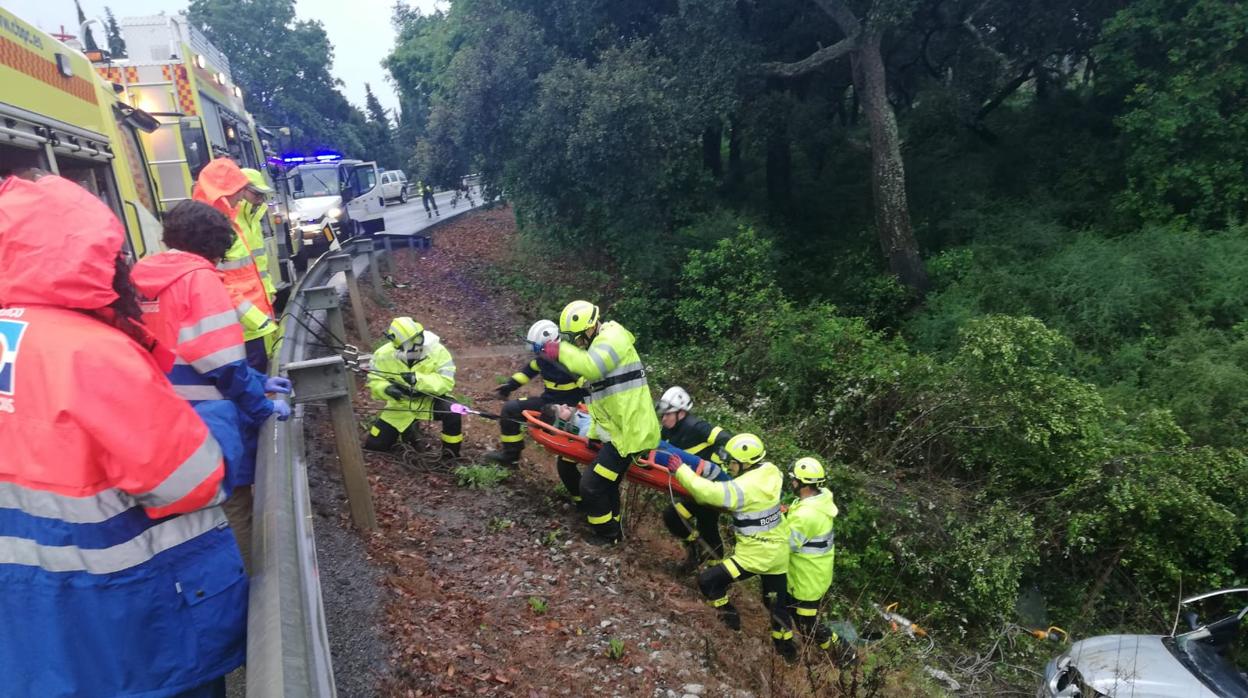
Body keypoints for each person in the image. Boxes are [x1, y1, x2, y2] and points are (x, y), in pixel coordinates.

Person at [0, 173, 247, 696]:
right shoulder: (90, 351)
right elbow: (189, 481)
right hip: (132, 624)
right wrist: (220, 421)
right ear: (86, 256)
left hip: (29, 635)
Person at [131, 200, 292, 565]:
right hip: (207, 422)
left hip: (158, 417)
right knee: (234, 504)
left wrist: (261, 377)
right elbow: (223, 365)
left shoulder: (142, 276)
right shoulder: (200, 281)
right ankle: (254, 595)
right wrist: (263, 404)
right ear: (216, 247)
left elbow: (184, 351)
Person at [663, 433, 797, 662]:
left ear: (745, 463)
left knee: (708, 581)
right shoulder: (772, 471)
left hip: (755, 557)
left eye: (733, 461)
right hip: (777, 554)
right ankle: (787, 653)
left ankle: (729, 618)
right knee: (775, 604)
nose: (729, 465)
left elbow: (708, 492)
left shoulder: (743, 488)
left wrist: (681, 470)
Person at [540, 300, 660, 544]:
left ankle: (606, 535)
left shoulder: (612, 338)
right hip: (620, 432)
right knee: (607, 484)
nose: (576, 343)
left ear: (589, 328)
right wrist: (594, 434)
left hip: (630, 434)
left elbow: (592, 368)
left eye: (576, 337)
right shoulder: (600, 345)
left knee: (591, 486)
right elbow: (601, 403)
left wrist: (561, 350)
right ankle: (614, 533)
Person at [192, 157, 278, 372]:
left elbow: (255, 268)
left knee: (257, 375)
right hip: (239, 325)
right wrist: (255, 319)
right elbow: (215, 281)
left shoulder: (230, 221)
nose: (241, 197)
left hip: (250, 322)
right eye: (239, 190)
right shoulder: (212, 226)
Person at [485, 319, 587, 466]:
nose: (536, 353)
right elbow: (527, 373)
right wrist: (509, 386)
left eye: (539, 349)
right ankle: (510, 457)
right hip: (547, 403)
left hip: (570, 410)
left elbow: (589, 389)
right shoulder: (542, 360)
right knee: (510, 409)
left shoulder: (573, 363)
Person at [653, 386, 735, 570]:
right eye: (663, 415)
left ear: (681, 413)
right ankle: (701, 555)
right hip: (692, 487)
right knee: (705, 525)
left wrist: (721, 456)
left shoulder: (697, 426)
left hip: (711, 486)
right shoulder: (668, 431)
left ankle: (709, 567)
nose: (664, 418)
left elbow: (726, 439)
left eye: (668, 414)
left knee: (677, 516)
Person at [364, 316, 463, 459]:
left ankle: (451, 456)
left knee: (453, 410)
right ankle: (411, 434)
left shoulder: (437, 351)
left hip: (427, 401)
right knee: (375, 446)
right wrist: (386, 389)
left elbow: (446, 382)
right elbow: (374, 380)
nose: (418, 345)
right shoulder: (383, 355)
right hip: (401, 405)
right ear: (399, 344)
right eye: (412, 342)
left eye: (418, 339)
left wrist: (418, 380)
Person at [784, 457, 840, 653]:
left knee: (808, 624)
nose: (792, 483)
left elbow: (786, 544)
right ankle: (824, 650)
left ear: (802, 484)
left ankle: (839, 653)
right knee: (798, 616)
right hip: (812, 573)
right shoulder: (819, 499)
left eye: (794, 480)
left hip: (807, 580)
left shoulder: (806, 515)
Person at [236, 168, 278, 304]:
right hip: (241, 303)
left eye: (263, 195)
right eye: (257, 194)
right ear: (241, 190)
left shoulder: (252, 220)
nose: (260, 200)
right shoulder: (230, 220)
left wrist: (268, 290)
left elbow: (261, 266)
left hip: (258, 299)